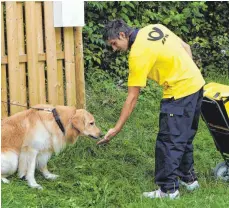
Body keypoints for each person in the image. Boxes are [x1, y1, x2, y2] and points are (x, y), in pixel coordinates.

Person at [97, 19, 205, 199]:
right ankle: (189, 179)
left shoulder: (138, 54)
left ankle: (168, 190)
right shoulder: (155, 28)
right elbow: (186, 47)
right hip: (197, 84)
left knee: (168, 141)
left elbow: (132, 98)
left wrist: (116, 129)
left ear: (122, 35)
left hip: (179, 93)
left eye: (114, 43)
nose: (114, 49)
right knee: (184, 135)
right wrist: (189, 73)